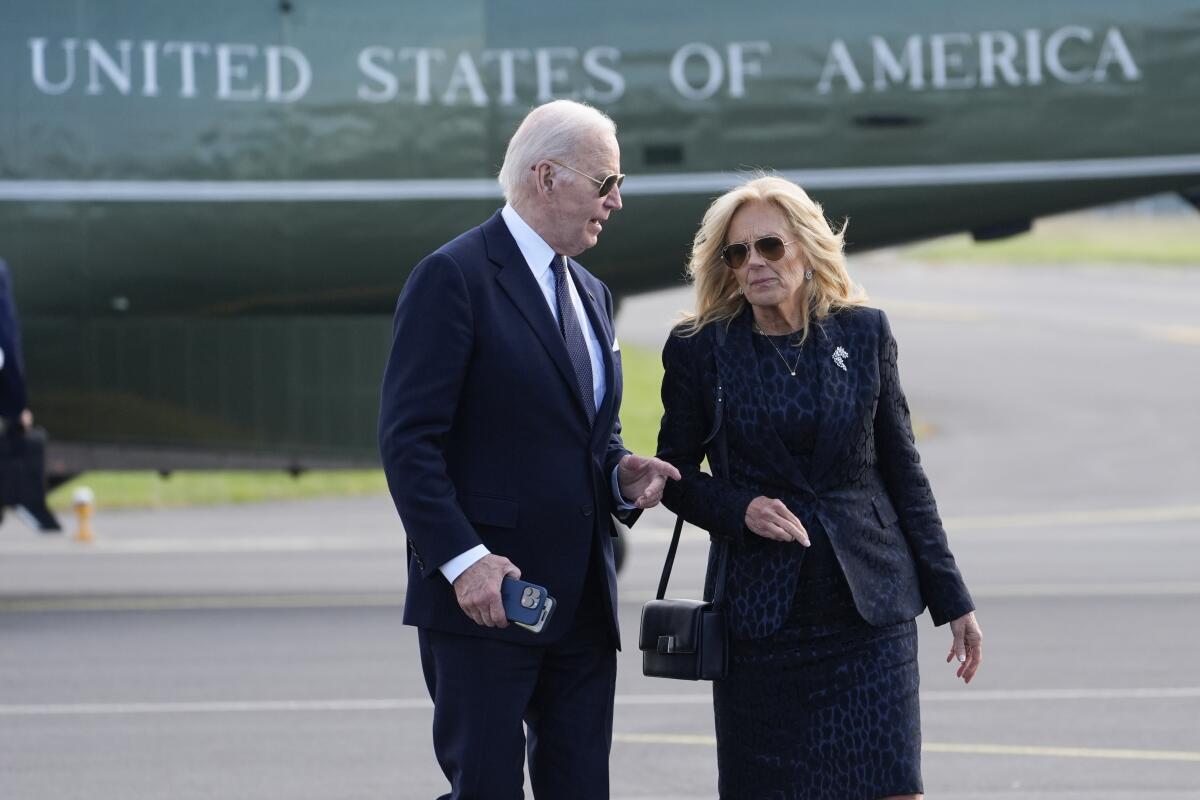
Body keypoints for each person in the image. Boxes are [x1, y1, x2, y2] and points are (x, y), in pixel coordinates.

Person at [378, 100, 679, 800]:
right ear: (547, 177)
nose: (618, 201)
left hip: (579, 605)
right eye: (606, 182)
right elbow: (408, 442)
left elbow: (587, 433)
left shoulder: (593, 293)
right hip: (487, 599)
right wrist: (464, 563)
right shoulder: (453, 277)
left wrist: (619, 472)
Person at [656, 176, 982, 800]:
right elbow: (675, 478)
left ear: (806, 250)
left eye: (769, 246)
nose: (753, 263)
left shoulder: (864, 334)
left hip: (870, 616)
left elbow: (905, 474)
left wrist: (954, 599)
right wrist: (740, 508)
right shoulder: (702, 350)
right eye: (737, 252)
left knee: (893, 790)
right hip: (762, 626)